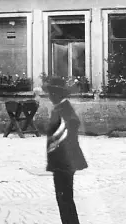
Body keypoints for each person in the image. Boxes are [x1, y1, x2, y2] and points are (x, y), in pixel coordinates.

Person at [44, 77, 88, 224]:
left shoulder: (64, 109)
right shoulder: (60, 108)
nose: (50, 96)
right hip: (61, 161)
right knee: (63, 198)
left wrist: (58, 142)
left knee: (65, 198)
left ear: (57, 94)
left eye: (52, 93)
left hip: (64, 162)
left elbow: (72, 125)